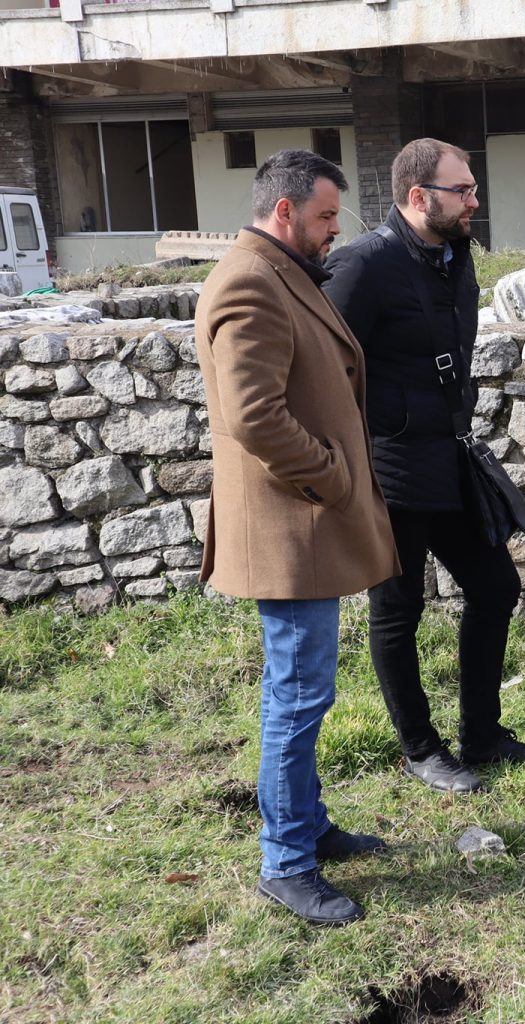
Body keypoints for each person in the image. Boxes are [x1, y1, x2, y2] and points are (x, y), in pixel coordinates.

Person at [196, 149, 399, 925]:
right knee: (298, 694)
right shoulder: (249, 281)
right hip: (291, 527)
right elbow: (253, 415)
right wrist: (332, 476)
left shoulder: (278, 272)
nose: (333, 230)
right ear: (284, 211)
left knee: (302, 688)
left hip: (301, 525)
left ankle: (307, 825)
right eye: (324, 216)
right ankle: (285, 861)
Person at [324, 138, 525, 795]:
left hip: (449, 457)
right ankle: (421, 749)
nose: (475, 200)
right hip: (390, 468)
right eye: (463, 190)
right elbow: (323, 367)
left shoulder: (456, 255)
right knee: (398, 609)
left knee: (495, 588)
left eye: (473, 188)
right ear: (418, 196)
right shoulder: (363, 264)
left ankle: (482, 735)